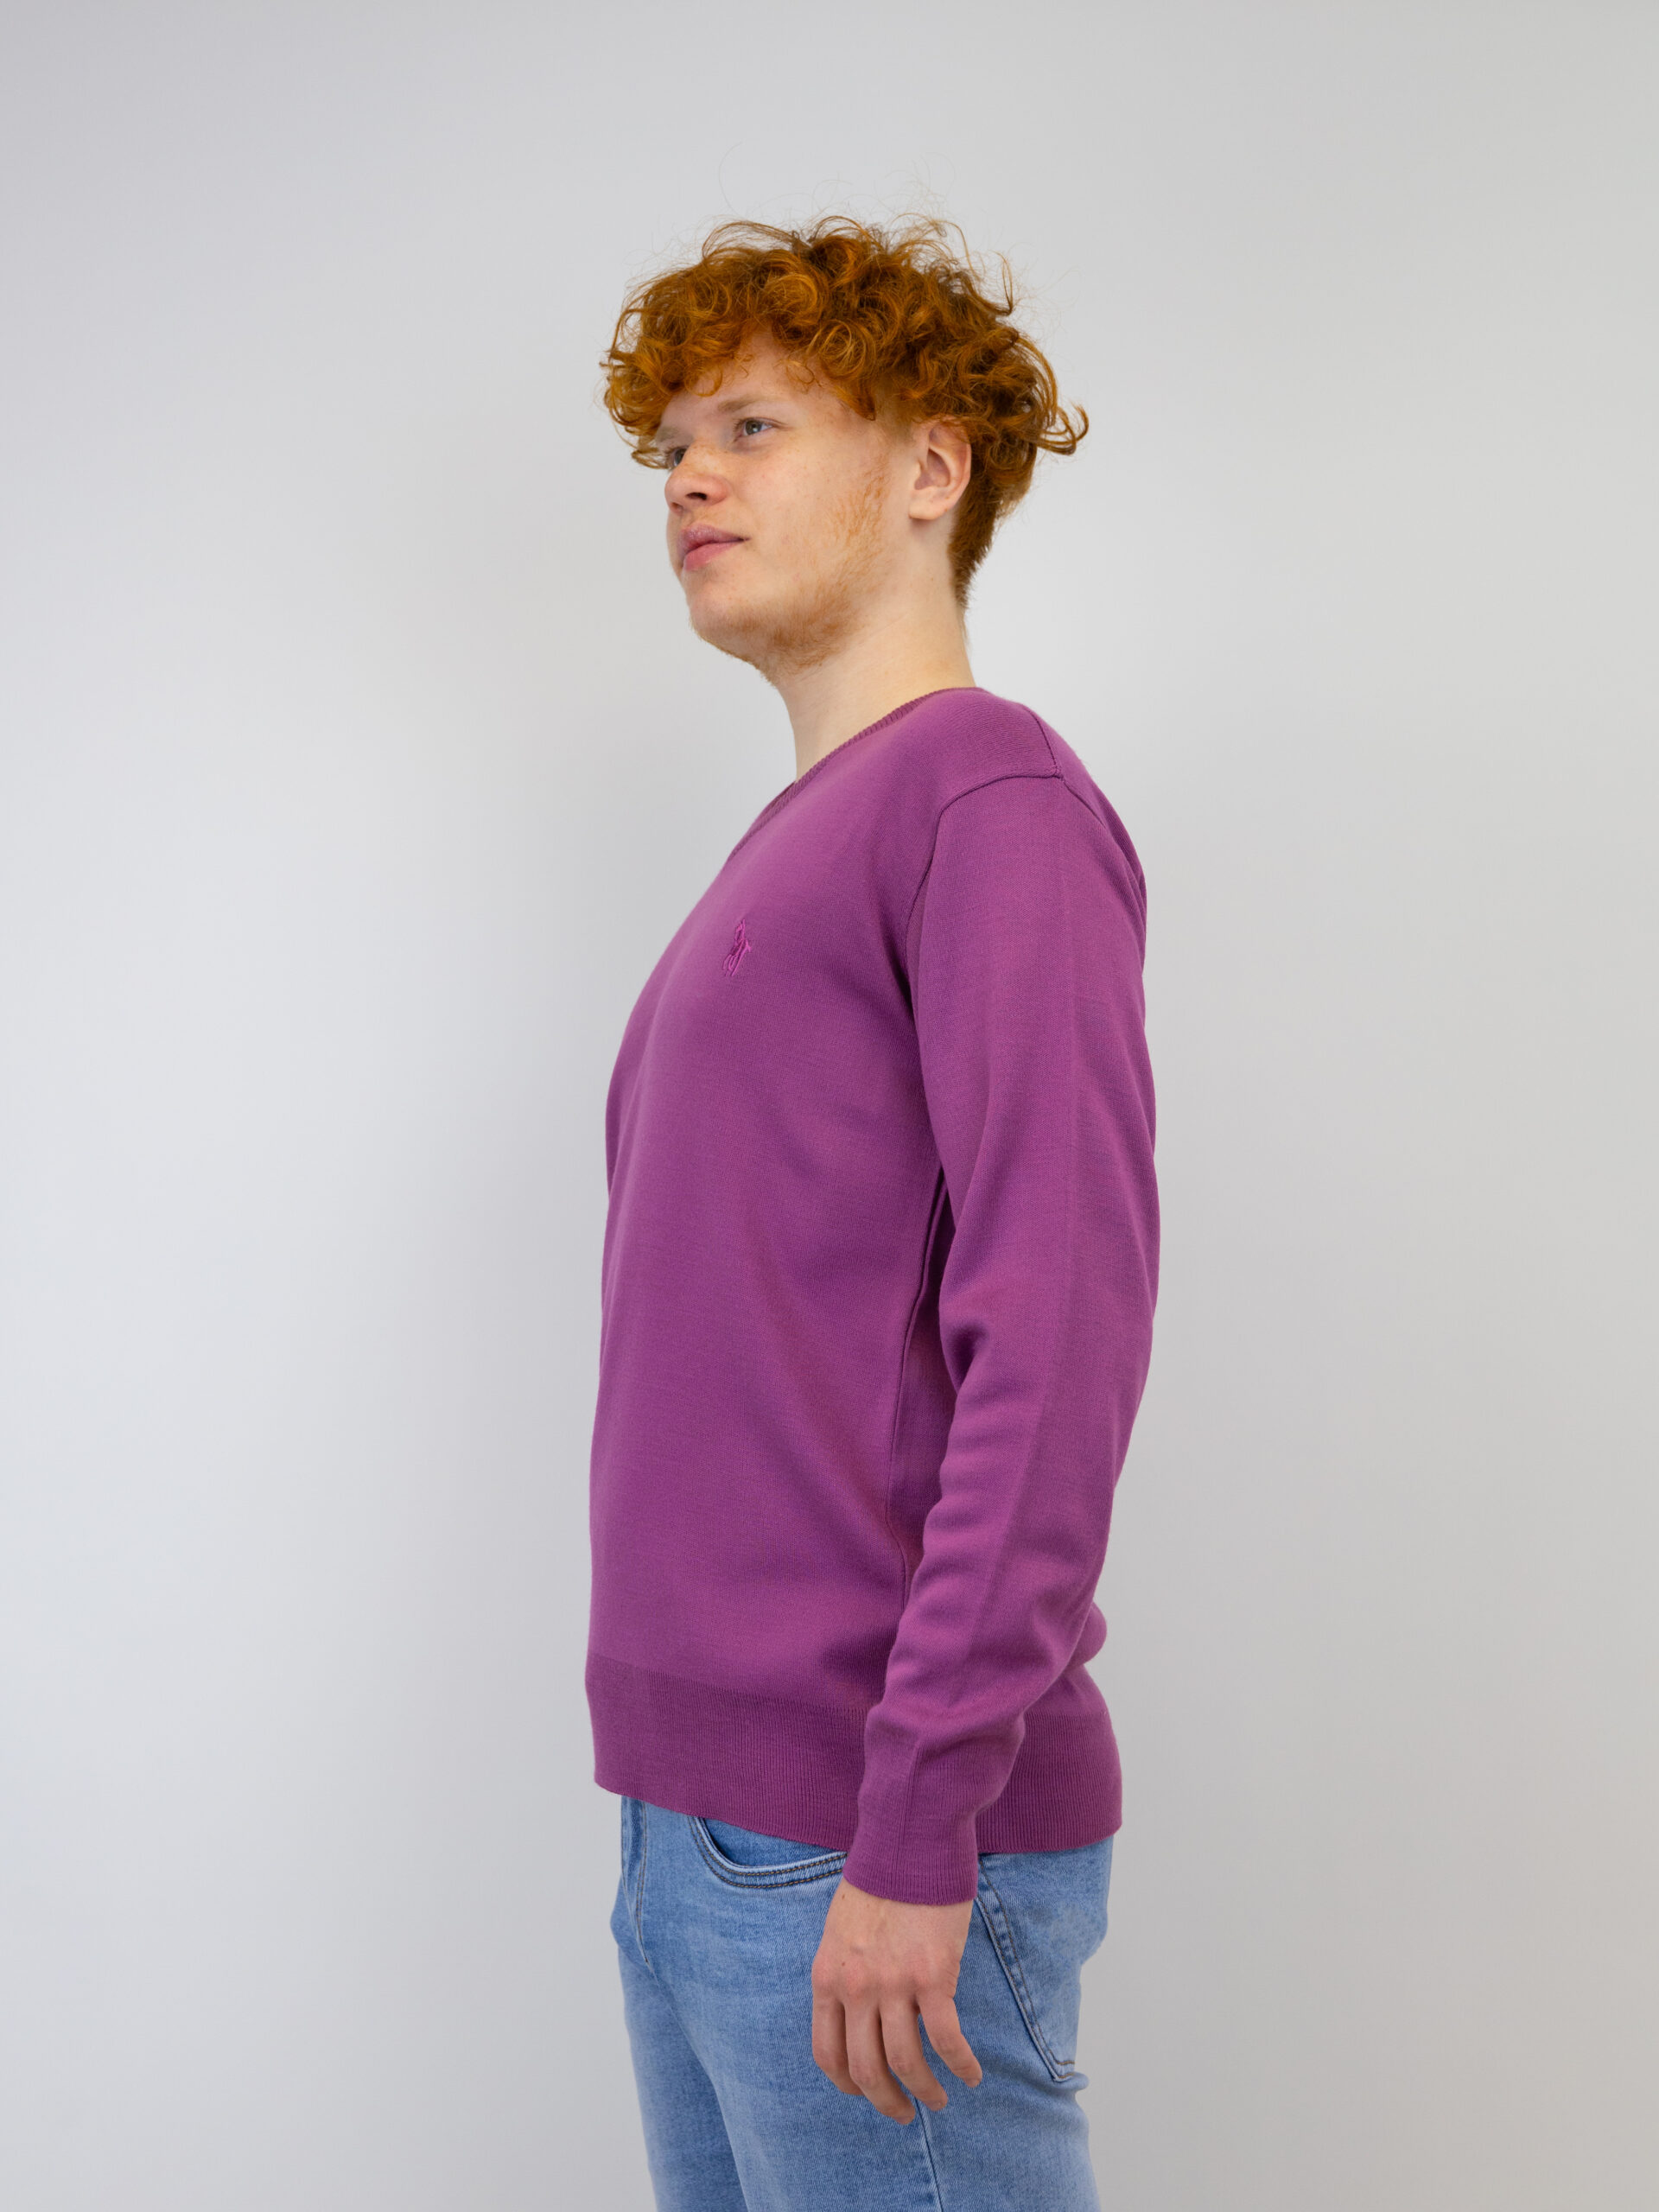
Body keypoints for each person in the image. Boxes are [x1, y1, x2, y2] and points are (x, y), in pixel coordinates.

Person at [584, 215, 1160, 2210]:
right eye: (671, 442)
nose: (691, 474)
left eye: (751, 424)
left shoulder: (984, 796)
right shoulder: (805, 838)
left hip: (869, 1831)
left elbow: (1058, 1329)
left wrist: (919, 1815)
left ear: (931, 464)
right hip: (705, 1822)